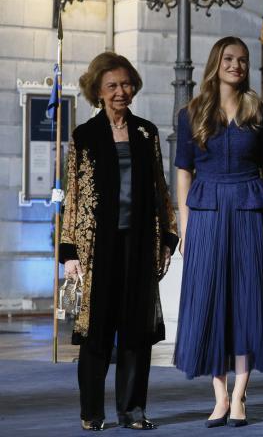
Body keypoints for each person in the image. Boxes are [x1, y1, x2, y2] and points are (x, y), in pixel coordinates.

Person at [60, 52, 178, 431]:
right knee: (96, 334)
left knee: (136, 332)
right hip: (97, 250)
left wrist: (167, 238)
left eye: (126, 84)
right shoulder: (85, 135)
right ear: (97, 90)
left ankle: (133, 410)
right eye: (112, 85)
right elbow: (73, 196)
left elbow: (160, 189)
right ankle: (92, 412)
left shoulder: (147, 132)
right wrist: (69, 253)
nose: (120, 91)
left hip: (140, 244)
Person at [174, 37, 263, 428]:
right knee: (210, 304)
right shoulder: (192, 113)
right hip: (206, 214)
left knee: (248, 305)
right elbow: (183, 171)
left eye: (242, 60)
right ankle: (219, 396)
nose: (236, 65)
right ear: (216, 63)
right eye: (229, 59)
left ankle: (239, 396)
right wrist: (185, 226)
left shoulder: (260, 111)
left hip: (250, 212)